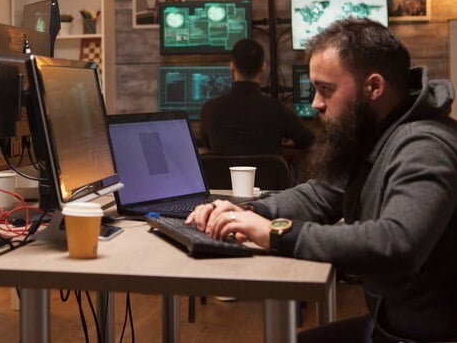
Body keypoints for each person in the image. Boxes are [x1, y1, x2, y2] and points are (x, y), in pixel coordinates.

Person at [187, 19, 457, 342]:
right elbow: (318, 196)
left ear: (373, 87)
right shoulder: (379, 133)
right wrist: (245, 212)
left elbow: (397, 244)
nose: (315, 103)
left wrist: (274, 233)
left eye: (325, 89)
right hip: (390, 326)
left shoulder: (425, 145)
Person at [199, 38, 313, 155]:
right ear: (263, 67)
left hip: (222, 174)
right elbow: (309, 141)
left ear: (232, 67)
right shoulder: (277, 110)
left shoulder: (209, 109)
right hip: (265, 174)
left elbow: (207, 145)